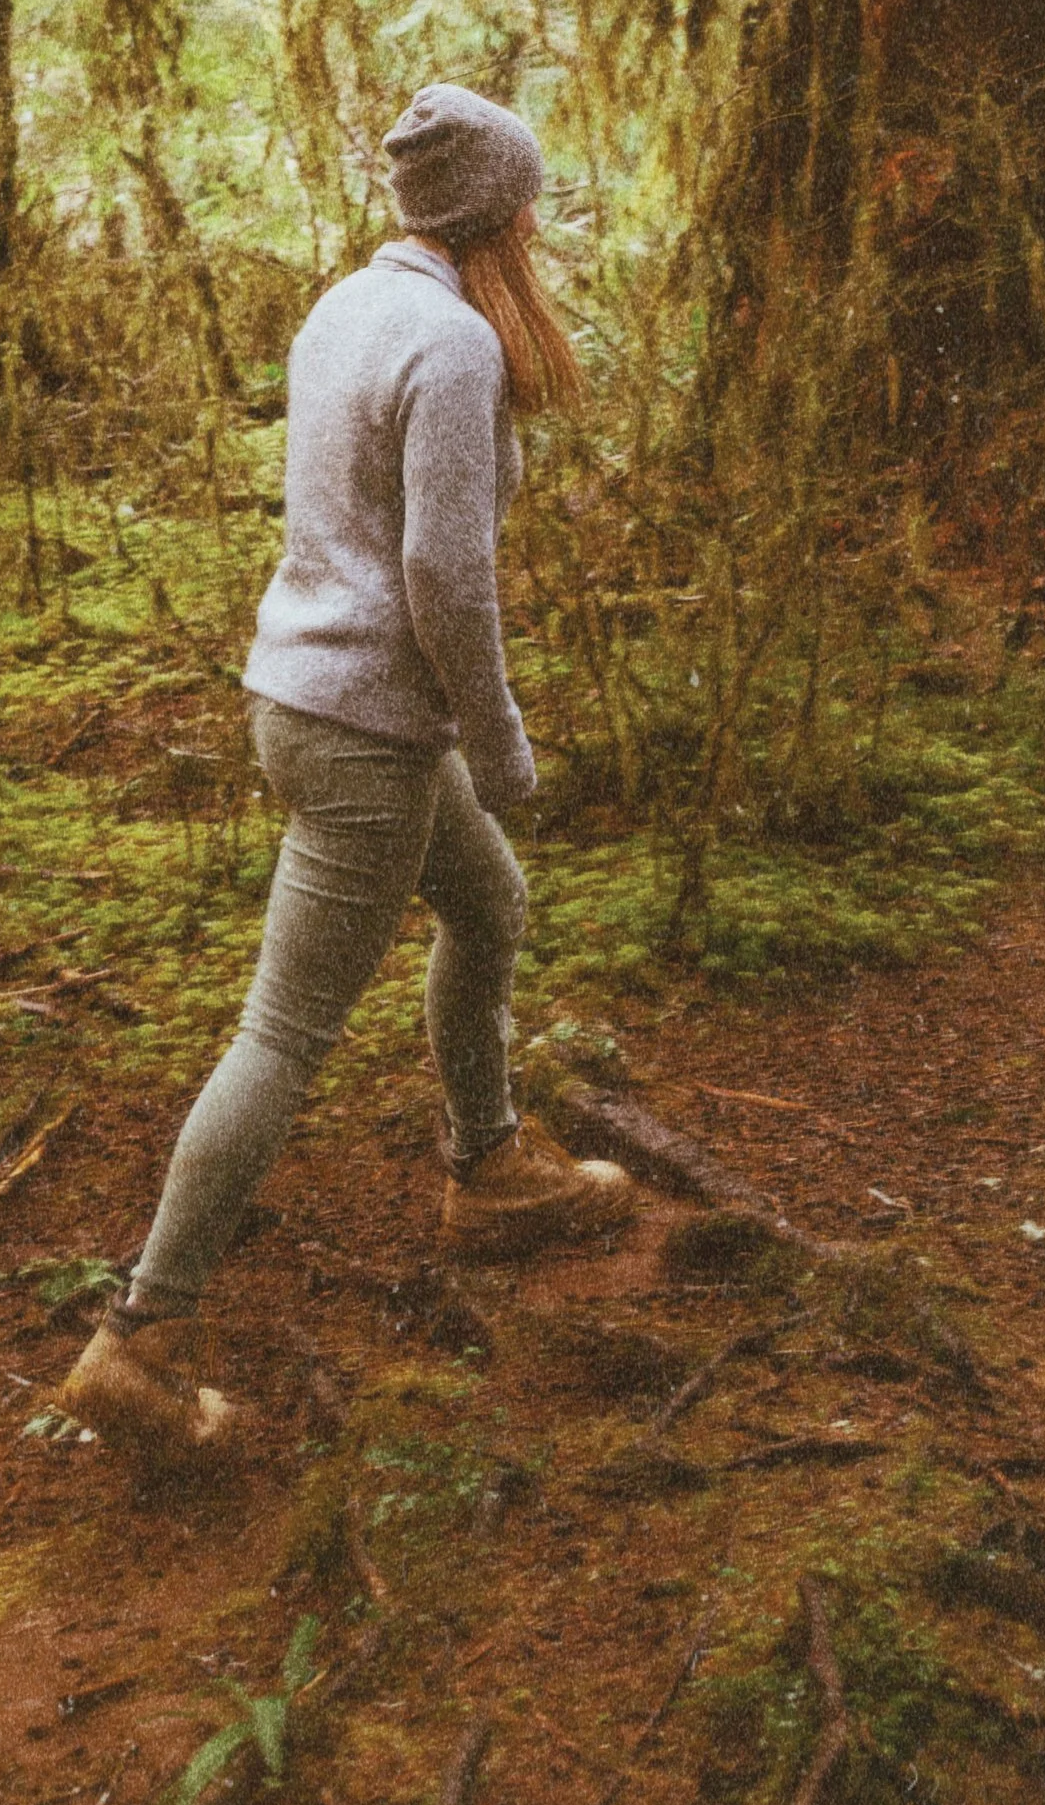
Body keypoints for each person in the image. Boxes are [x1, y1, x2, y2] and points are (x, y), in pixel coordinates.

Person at [57, 83, 634, 1471]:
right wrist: (498, 736)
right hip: (369, 732)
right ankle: (140, 1338)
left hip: (306, 701)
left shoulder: (345, 306)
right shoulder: (453, 342)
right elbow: (443, 572)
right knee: (284, 1034)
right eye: (528, 204)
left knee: (486, 906)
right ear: (495, 214)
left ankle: (489, 1165)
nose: (537, 225)